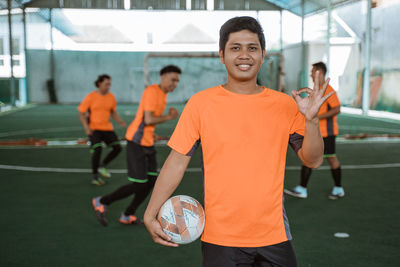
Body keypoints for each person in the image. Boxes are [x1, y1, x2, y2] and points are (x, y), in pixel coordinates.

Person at [143, 17, 334, 267]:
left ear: (263, 54)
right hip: (220, 238)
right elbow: (176, 162)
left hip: (274, 235)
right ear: (222, 55)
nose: (244, 55)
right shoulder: (201, 104)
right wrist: (150, 212)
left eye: (252, 48)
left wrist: (310, 121)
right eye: (236, 48)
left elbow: (314, 159)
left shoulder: (286, 104)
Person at [91, 65, 181, 226]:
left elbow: (147, 123)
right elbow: (147, 120)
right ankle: (102, 201)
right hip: (136, 142)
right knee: (139, 183)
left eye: (177, 81)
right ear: (163, 77)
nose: (175, 84)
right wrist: (170, 116)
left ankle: (128, 214)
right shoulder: (152, 92)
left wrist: (152, 134)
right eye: (173, 79)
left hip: (147, 142)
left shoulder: (163, 95)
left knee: (152, 181)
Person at [284, 62, 344, 200]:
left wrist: (316, 116)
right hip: (315, 132)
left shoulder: (328, 90)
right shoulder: (316, 90)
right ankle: (302, 188)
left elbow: (337, 109)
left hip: (327, 133)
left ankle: (339, 188)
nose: (311, 74)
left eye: (313, 71)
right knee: (308, 158)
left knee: (331, 158)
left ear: (321, 73)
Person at [78, 74, 126, 186]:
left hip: (107, 128)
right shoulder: (90, 97)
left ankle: (102, 165)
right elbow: (81, 113)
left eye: (109, 84)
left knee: (117, 148)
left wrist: (120, 121)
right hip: (94, 129)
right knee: (97, 150)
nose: (108, 86)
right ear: (99, 83)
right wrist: (86, 127)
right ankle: (95, 177)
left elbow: (113, 112)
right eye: (106, 84)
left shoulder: (111, 97)